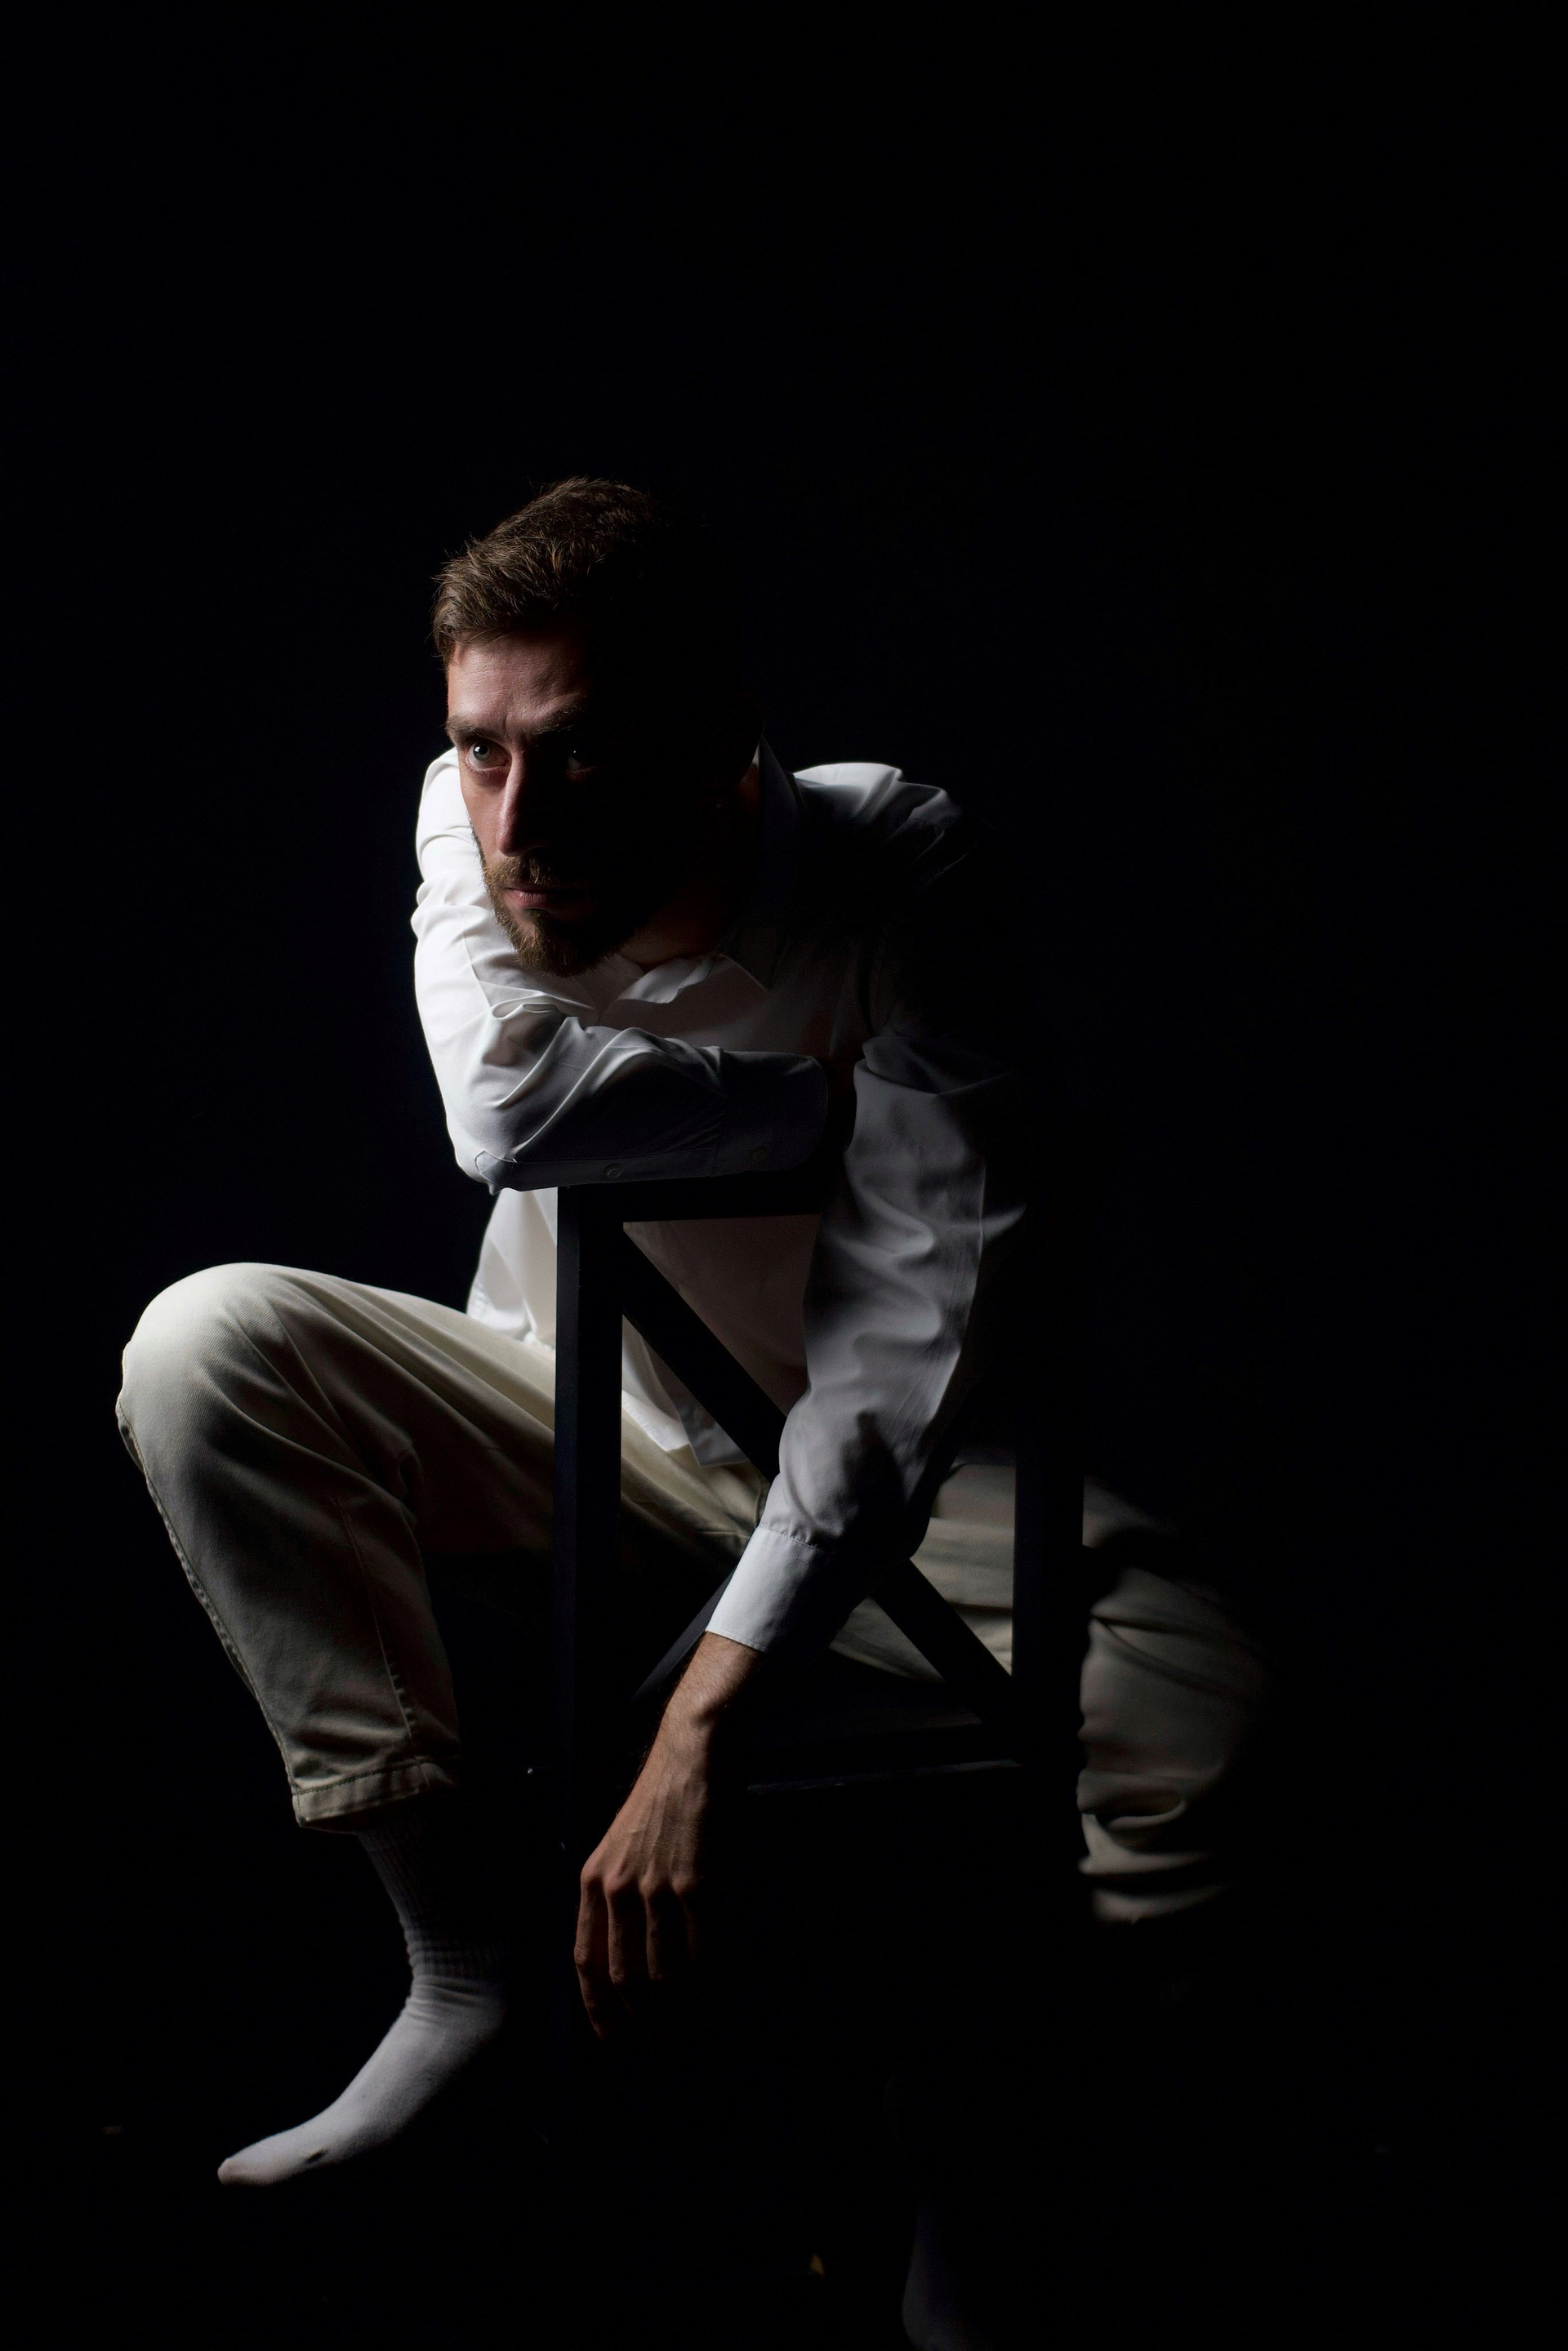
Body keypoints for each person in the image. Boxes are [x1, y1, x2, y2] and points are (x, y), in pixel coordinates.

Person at [117, 479, 1271, 2211]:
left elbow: (895, 1373)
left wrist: (703, 1723)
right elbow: (507, 1113)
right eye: (485, 748)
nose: (519, 819)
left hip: (884, 1495)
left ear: (725, 743)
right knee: (205, 1339)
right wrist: (826, 1108)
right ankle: (460, 1968)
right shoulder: (471, 815)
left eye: (579, 750)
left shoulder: (908, 872)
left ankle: (1003, 2187)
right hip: (574, 1432)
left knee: (1210, 1718)